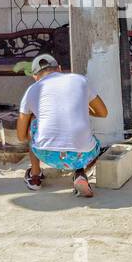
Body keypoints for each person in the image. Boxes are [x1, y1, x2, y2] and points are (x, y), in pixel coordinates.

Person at [16, 54, 108, 198]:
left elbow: (21, 136)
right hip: (84, 155)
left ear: (35, 76)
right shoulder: (80, 80)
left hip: (46, 154)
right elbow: (103, 113)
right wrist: (82, 109)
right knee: (83, 131)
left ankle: (35, 176)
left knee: (33, 123)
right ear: (59, 69)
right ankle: (79, 173)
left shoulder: (32, 90)